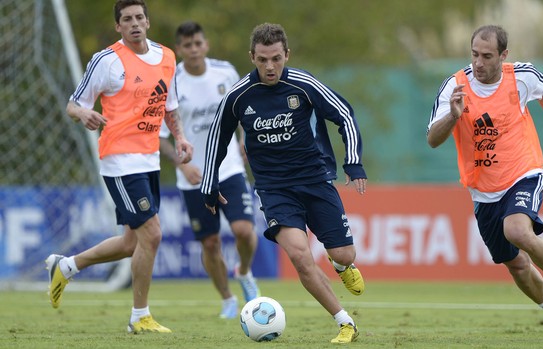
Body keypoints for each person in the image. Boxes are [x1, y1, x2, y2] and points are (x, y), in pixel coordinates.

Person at [200, 23, 366, 344]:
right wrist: (210, 183)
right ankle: (345, 322)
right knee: (301, 257)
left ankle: (339, 264)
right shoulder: (239, 96)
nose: (270, 66)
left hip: (315, 180)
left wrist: (353, 161)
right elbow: (216, 139)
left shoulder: (303, 85)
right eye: (262, 60)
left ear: (286, 54)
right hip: (274, 189)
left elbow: (344, 114)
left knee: (345, 254)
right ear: (252, 57)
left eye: (276, 58)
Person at [427, 24, 543, 341]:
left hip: (523, 171)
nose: (478, 63)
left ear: (503, 55)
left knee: (516, 230)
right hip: (482, 190)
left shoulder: (522, 76)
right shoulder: (454, 87)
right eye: (474, 54)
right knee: (514, 264)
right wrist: (453, 116)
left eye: (487, 56)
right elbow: (432, 140)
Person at [46, 0, 193, 334]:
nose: (135, 23)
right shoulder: (106, 61)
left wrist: (181, 137)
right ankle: (139, 316)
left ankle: (66, 266)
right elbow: (73, 104)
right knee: (152, 234)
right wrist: (84, 114)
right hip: (119, 159)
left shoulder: (167, 57)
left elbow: (169, 106)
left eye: (139, 17)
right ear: (118, 27)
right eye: (127, 19)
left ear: (148, 21)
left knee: (131, 243)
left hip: (149, 158)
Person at [159, 21, 260, 319]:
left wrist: (244, 138)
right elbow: (160, 137)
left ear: (206, 45)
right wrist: (183, 164)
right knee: (210, 242)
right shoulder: (171, 80)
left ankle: (243, 271)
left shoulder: (225, 72)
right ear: (179, 49)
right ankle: (228, 299)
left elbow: (241, 109)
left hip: (227, 167)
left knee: (244, 230)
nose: (193, 49)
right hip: (194, 177)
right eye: (187, 45)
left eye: (197, 43)